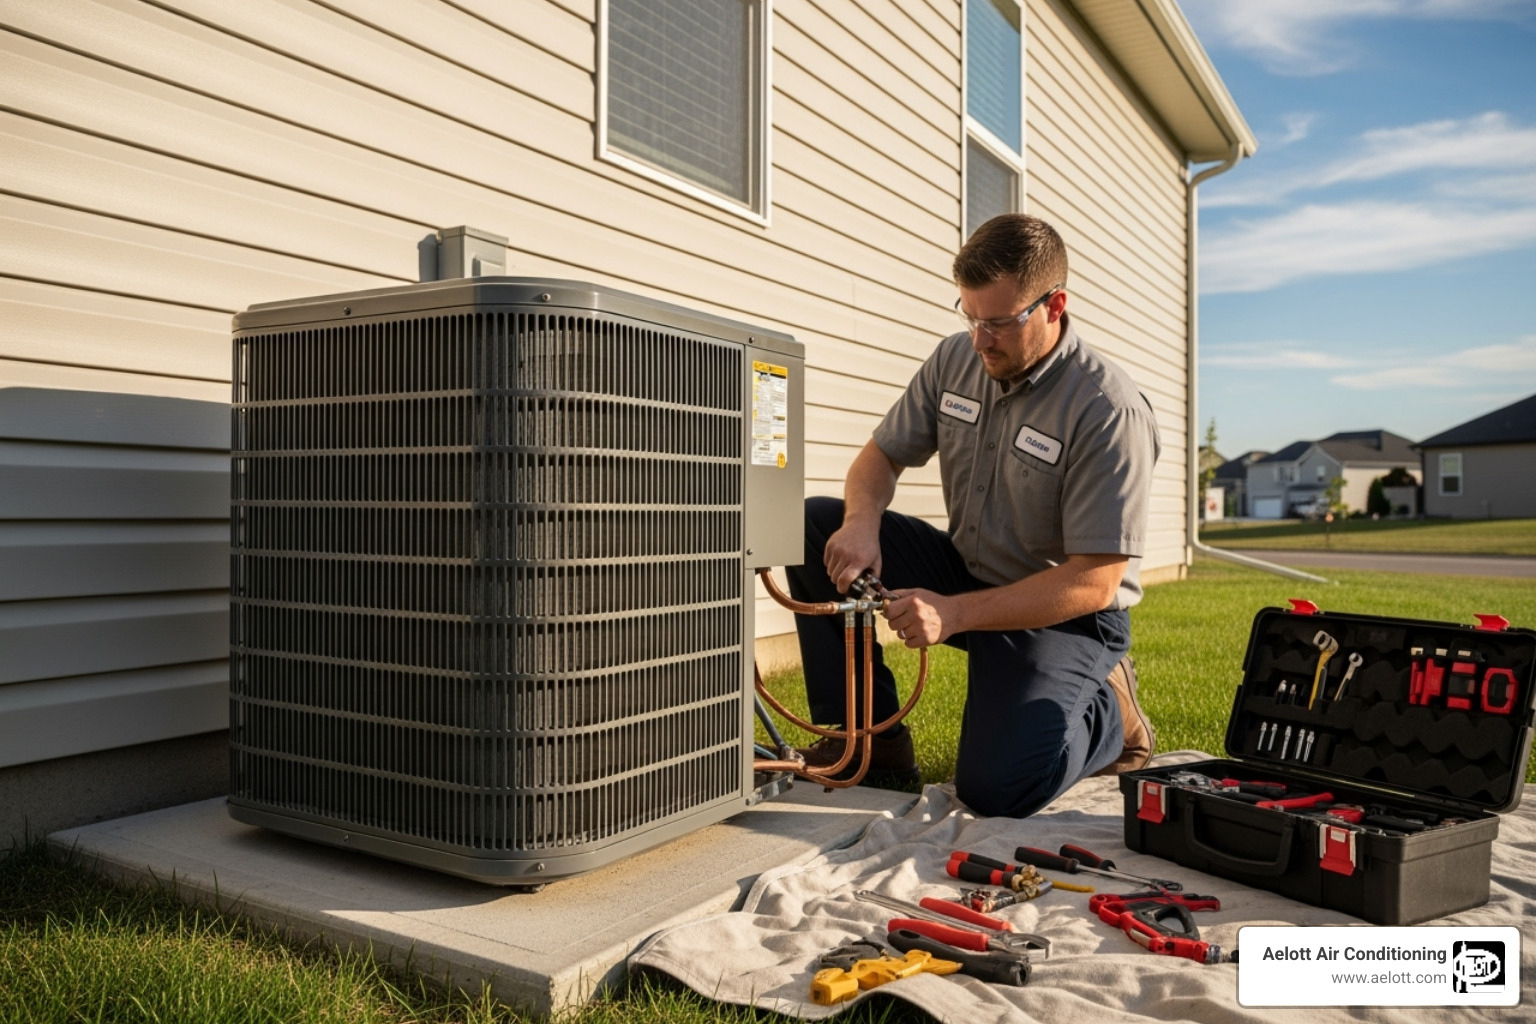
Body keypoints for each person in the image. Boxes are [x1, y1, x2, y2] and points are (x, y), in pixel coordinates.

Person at [785, 214, 1161, 818]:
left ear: (1054, 305)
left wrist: (955, 614)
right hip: (967, 572)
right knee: (815, 526)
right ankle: (873, 744)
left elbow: (1095, 581)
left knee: (996, 790)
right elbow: (879, 457)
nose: (981, 340)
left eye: (999, 323)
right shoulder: (955, 359)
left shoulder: (1107, 411)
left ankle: (1112, 715)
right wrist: (860, 524)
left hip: (1064, 615)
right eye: (970, 316)